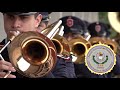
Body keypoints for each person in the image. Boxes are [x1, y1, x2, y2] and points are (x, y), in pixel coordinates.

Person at [0, 12, 76, 78]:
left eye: (23, 18)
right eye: (10, 17)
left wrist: (40, 66)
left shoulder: (58, 55)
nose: (15, 25)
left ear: (37, 21)